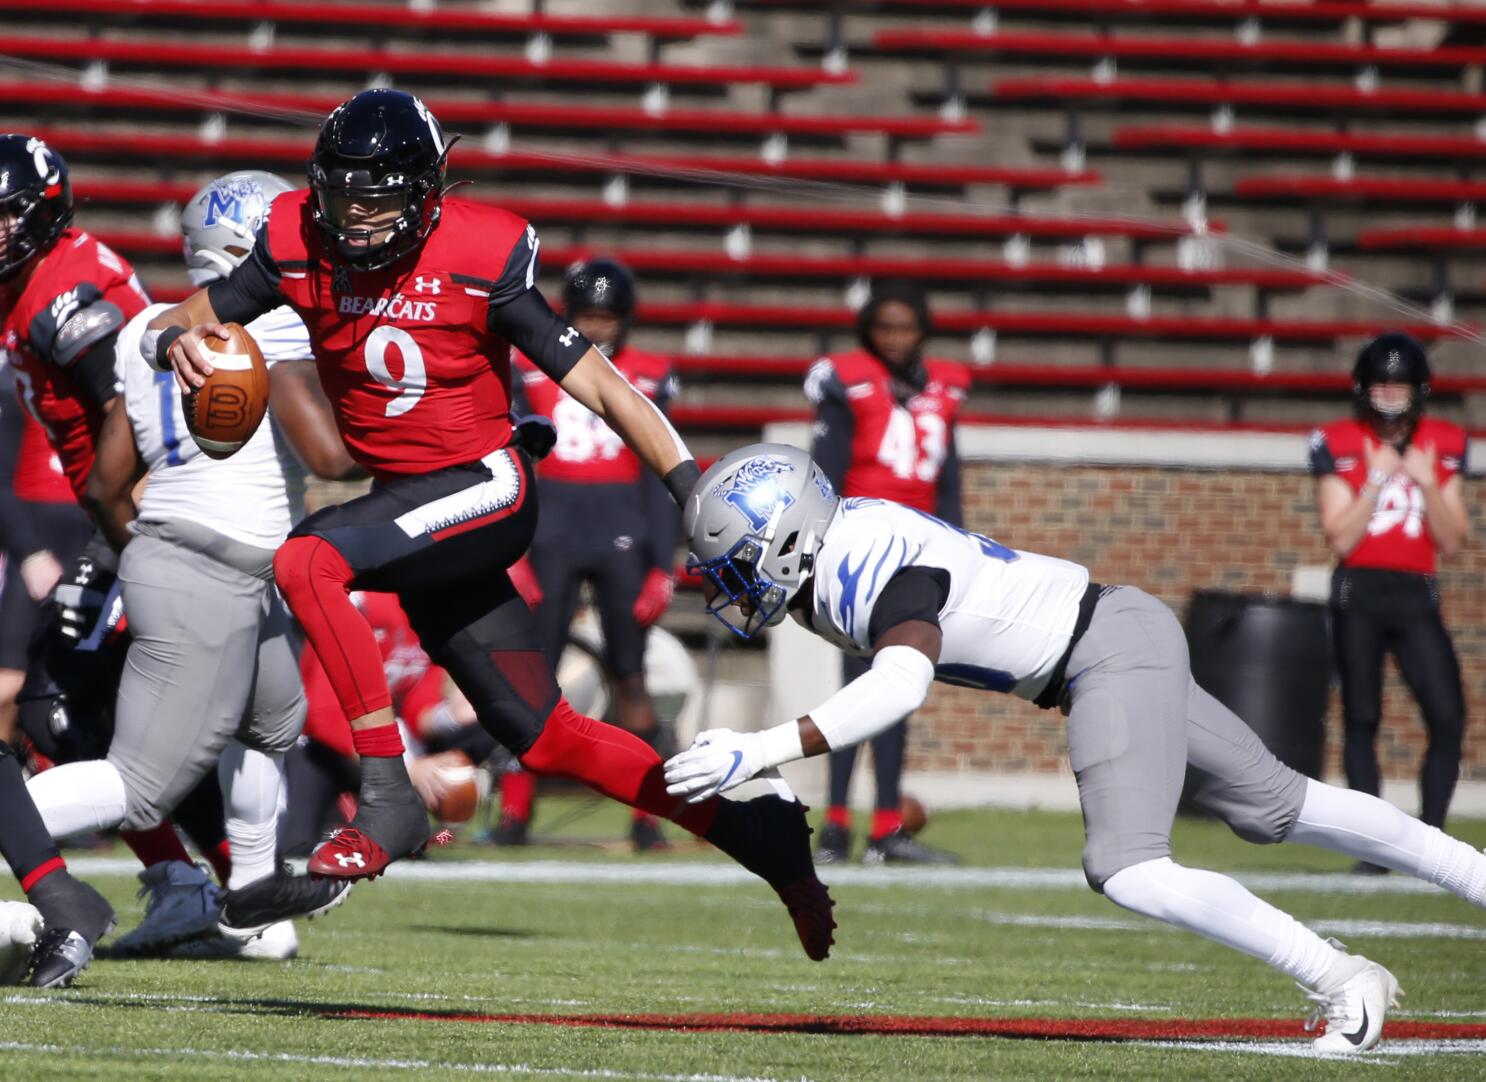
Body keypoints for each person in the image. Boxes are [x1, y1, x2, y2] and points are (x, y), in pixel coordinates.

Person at [146, 90, 833, 960]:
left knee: (307, 562)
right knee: (546, 738)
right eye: (344, 192)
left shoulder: (480, 250)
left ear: (427, 192)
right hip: (412, 506)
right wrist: (170, 340)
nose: (357, 215)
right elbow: (190, 314)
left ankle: (387, 794)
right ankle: (761, 838)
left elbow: (604, 387)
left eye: (380, 195)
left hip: (482, 485)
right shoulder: (295, 240)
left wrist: (688, 488)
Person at [666, 443, 1486, 1053]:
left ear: (785, 536)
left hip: (1104, 655)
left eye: (735, 564)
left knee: (1127, 865)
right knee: (1279, 805)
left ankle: (1344, 981)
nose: (730, 585)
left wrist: (761, 747)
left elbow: (901, 684)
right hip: (1118, 632)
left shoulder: (871, 564)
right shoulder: (839, 542)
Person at [28, 171, 366, 959]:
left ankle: (254, 909)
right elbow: (327, 452)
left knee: (266, 726)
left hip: (224, 564)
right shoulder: (273, 329)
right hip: (212, 571)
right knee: (140, 781)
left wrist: (141, 548)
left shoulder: (150, 327)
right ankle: (16, 825)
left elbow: (105, 481)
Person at [0, 131, 211, 981]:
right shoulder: (33, 283)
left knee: (60, 711)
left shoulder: (62, 294)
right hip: (124, 515)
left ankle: (231, 879)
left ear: (42, 213)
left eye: (6, 215)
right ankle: (195, 883)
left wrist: (114, 522)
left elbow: (132, 409)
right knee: (73, 717)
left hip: (140, 512)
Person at [505, 257, 678, 851]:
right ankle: (514, 810)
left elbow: (661, 467)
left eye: (608, 318)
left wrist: (664, 563)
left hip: (621, 530)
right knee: (534, 674)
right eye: (587, 318)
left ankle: (648, 813)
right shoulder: (530, 365)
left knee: (631, 673)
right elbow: (513, 459)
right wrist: (512, 550)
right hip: (549, 527)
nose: (599, 329)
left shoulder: (652, 373)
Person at [805, 279, 966, 865]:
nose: (895, 338)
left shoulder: (944, 388)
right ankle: (837, 824)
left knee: (902, 689)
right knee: (859, 688)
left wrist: (958, 545)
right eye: (885, 327)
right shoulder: (847, 385)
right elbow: (825, 474)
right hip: (864, 552)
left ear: (923, 329)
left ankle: (886, 826)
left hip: (920, 553)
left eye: (906, 326)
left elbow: (949, 480)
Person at [1310, 332, 1470, 873]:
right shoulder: (1338, 441)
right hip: (1359, 591)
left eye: (1399, 386)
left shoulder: (1442, 443)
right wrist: (1377, 481)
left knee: (1448, 714)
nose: (1390, 396)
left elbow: (1451, 539)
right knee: (1361, 717)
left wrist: (1425, 483)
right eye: (1381, 385)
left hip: (1415, 590)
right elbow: (1341, 538)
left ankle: (1434, 842)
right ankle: (1373, 851)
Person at [0, 381, 92, 745]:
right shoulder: (19, 385)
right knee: (10, 680)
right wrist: (31, 550)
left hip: (92, 544)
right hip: (39, 547)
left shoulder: (110, 384)